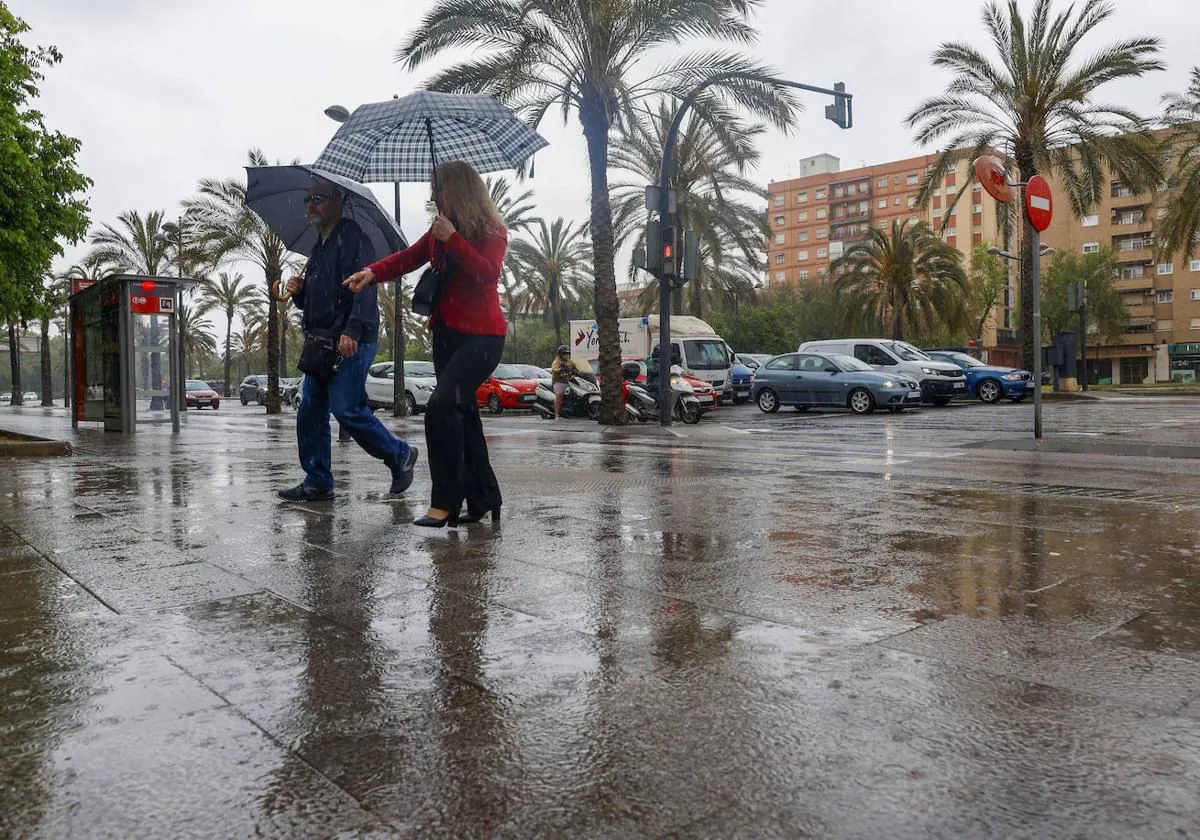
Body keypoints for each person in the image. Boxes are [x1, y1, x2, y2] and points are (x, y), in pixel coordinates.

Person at [345, 161, 506, 528]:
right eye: (434, 189)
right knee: (464, 416)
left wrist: (455, 240)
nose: (435, 196)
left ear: (461, 191)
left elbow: (487, 273)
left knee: (440, 408)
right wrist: (372, 273)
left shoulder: (491, 231)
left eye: (441, 189)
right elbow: (408, 257)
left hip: (483, 336)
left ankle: (444, 502)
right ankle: (484, 498)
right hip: (447, 333)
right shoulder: (437, 232)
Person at [278, 180, 417, 502]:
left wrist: (353, 330)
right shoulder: (318, 246)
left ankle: (400, 454)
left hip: (350, 339)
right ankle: (317, 481)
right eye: (307, 200)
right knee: (310, 410)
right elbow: (320, 299)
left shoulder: (353, 238)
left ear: (337, 202)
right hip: (321, 341)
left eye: (318, 199)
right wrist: (300, 293)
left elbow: (364, 287)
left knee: (347, 410)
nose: (310, 206)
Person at [549, 344, 583, 420]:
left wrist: (580, 372)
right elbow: (554, 369)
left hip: (570, 381)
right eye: (564, 353)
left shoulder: (570, 362)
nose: (566, 355)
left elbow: (577, 368)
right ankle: (557, 415)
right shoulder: (557, 361)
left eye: (568, 353)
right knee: (559, 395)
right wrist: (560, 370)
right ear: (560, 354)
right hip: (559, 381)